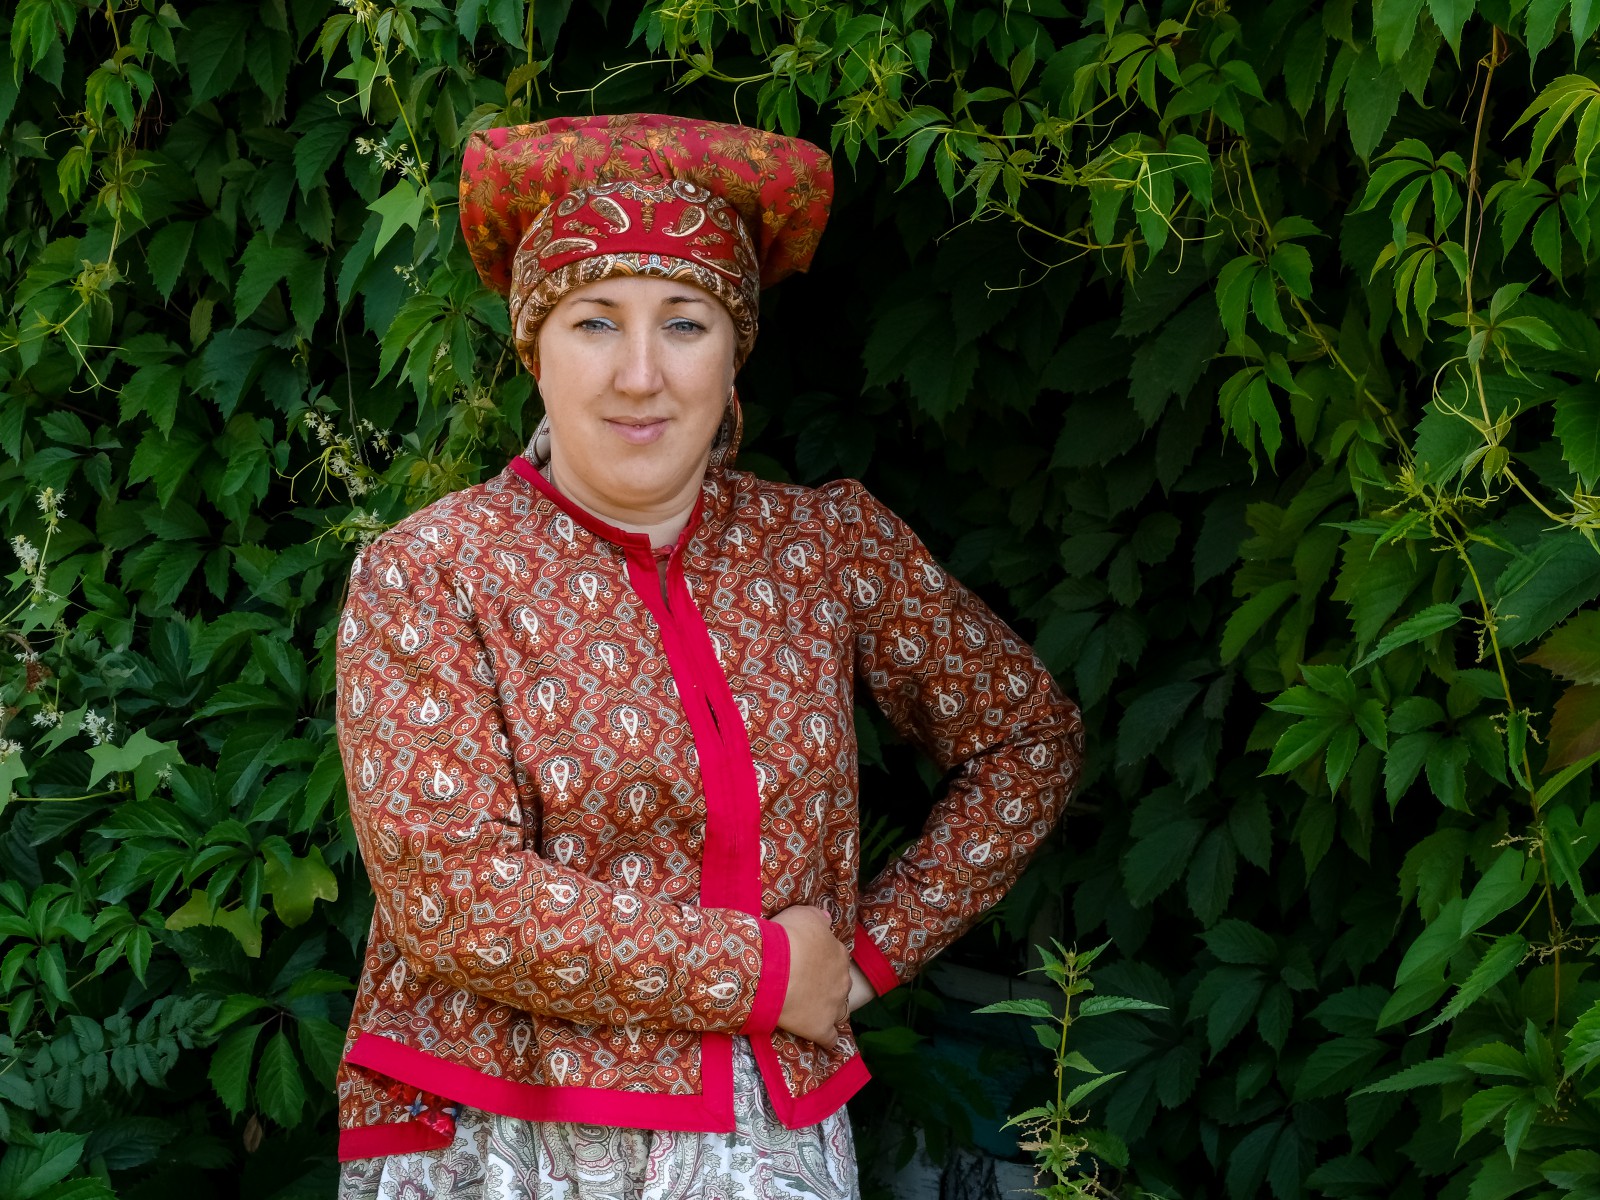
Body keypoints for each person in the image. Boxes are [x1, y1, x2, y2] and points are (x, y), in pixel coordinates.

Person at [332, 112, 1084, 1200]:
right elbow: (453, 897)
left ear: (736, 353)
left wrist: (865, 955)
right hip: (500, 1142)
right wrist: (766, 973)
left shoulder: (823, 546)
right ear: (533, 350)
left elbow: (1027, 739)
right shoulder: (431, 571)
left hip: (764, 1145)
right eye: (595, 322)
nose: (640, 374)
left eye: (684, 324)